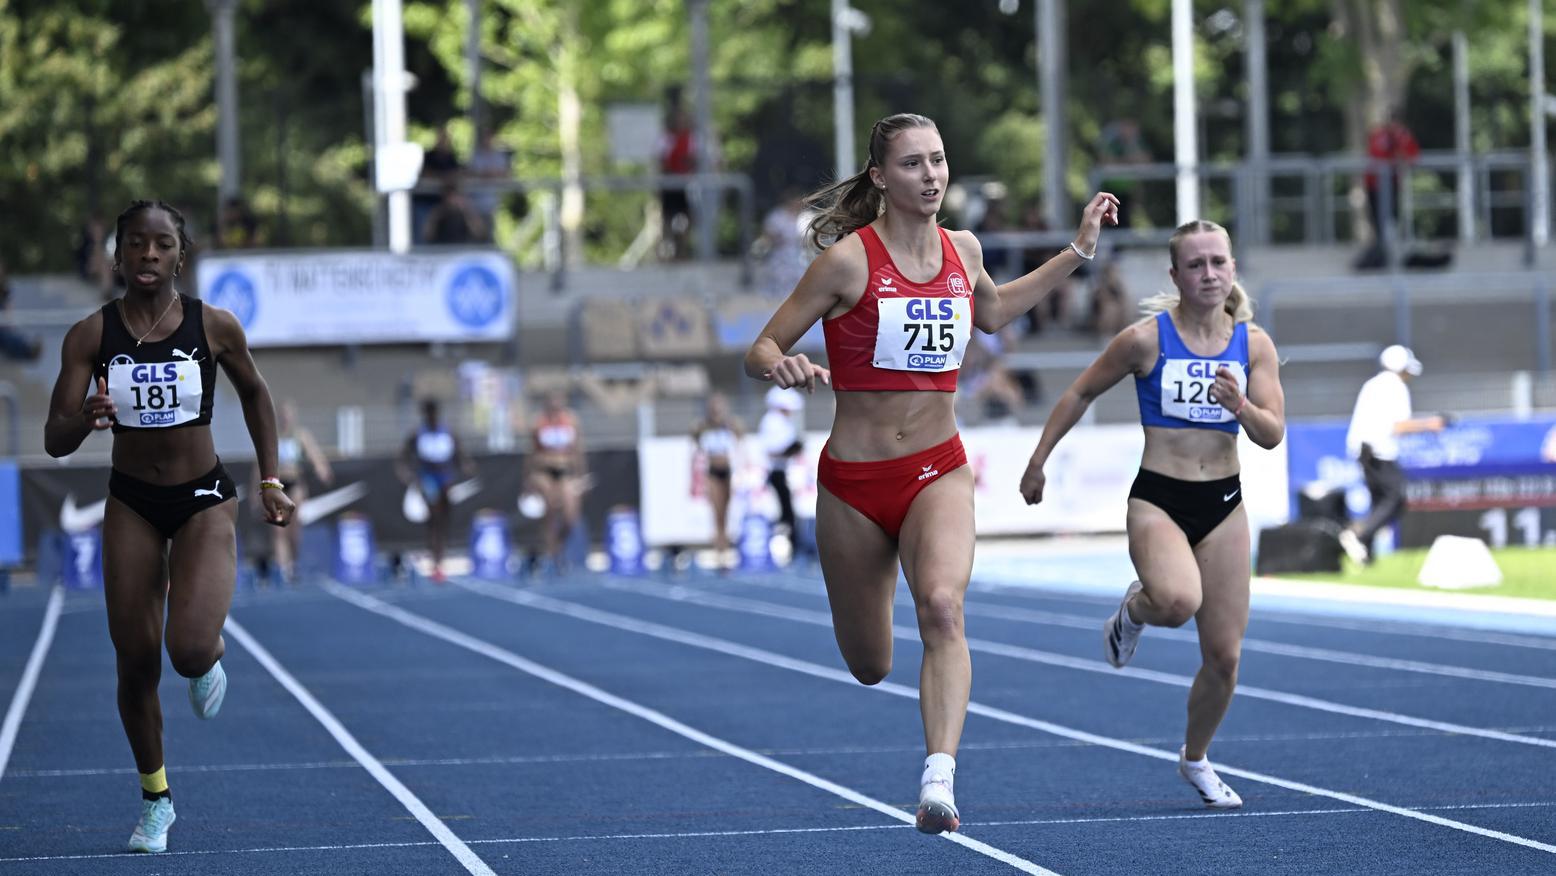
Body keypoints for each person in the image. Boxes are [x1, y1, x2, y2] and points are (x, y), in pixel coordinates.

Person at [744, 111, 1118, 834]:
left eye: (938, 160)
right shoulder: (847, 262)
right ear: (881, 177)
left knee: (943, 608)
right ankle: (876, 615)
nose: (931, 175)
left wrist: (1077, 250)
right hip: (855, 487)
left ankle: (938, 779)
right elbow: (760, 347)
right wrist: (781, 364)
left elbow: (995, 313)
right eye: (913, 163)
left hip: (937, 470)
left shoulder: (963, 249)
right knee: (870, 664)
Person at [43, 200, 295, 853]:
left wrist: (270, 479)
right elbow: (54, 439)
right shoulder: (90, 336)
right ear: (118, 255)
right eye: (136, 243)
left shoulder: (214, 325)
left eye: (161, 243)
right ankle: (156, 800)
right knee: (134, 661)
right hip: (131, 502)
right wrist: (87, 416)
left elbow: (256, 393)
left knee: (186, 650)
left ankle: (209, 653)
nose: (148, 254)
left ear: (181, 255)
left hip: (203, 497)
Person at [1018, 218, 1286, 810]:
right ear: (1176, 275)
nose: (1209, 274)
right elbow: (1080, 392)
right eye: (1196, 265)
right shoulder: (1145, 341)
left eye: (1218, 262)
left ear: (1233, 269)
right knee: (1176, 601)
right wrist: (1037, 462)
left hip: (1224, 504)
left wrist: (1240, 405)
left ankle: (1196, 759)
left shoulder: (1254, 345)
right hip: (1160, 498)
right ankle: (1134, 609)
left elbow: (1272, 434)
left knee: (1225, 657)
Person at [1338, 345, 1446, 565]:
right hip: (1379, 451)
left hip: (1363, 450)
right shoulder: (1395, 387)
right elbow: (1399, 426)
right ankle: (1359, 534)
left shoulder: (1372, 384)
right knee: (1396, 497)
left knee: (1379, 501)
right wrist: (1430, 424)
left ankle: (1365, 553)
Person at [395, 398, 472, 583]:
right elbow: (403, 456)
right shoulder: (418, 434)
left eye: (434, 414)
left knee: (444, 518)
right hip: (428, 478)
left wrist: (466, 464)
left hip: (446, 477)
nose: (432, 417)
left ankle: (440, 555)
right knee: (434, 517)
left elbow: (459, 453)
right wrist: (407, 475)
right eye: (429, 414)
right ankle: (436, 561)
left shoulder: (447, 431)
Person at [256, 400, 332, 584]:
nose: (285, 419)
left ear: (293, 417)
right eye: (282, 416)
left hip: (295, 484)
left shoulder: (300, 436)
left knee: (293, 529)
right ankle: (284, 569)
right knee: (278, 530)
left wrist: (321, 468)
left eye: (288, 415)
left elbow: (314, 454)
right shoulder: (272, 436)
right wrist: (255, 489)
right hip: (277, 485)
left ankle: (294, 562)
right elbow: (258, 463)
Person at [527, 391, 587, 571]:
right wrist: (528, 479)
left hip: (565, 471)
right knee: (550, 511)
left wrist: (581, 474)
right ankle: (553, 555)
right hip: (544, 471)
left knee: (570, 516)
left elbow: (578, 450)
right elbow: (531, 453)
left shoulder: (571, 421)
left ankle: (557, 546)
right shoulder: (538, 422)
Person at [690, 393, 744, 566]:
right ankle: (719, 550)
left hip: (726, 471)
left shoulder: (731, 425)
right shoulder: (702, 427)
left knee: (725, 513)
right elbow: (695, 443)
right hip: (712, 473)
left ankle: (725, 550)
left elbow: (740, 438)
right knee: (716, 512)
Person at [757, 385, 805, 546]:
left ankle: (790, 543)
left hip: (781, 472)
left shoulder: (782, 422)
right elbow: (770, 450)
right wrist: (788, 451)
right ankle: (786, 544)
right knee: (784, 512)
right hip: (774, 473)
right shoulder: (772, 421)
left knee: (788, 510)